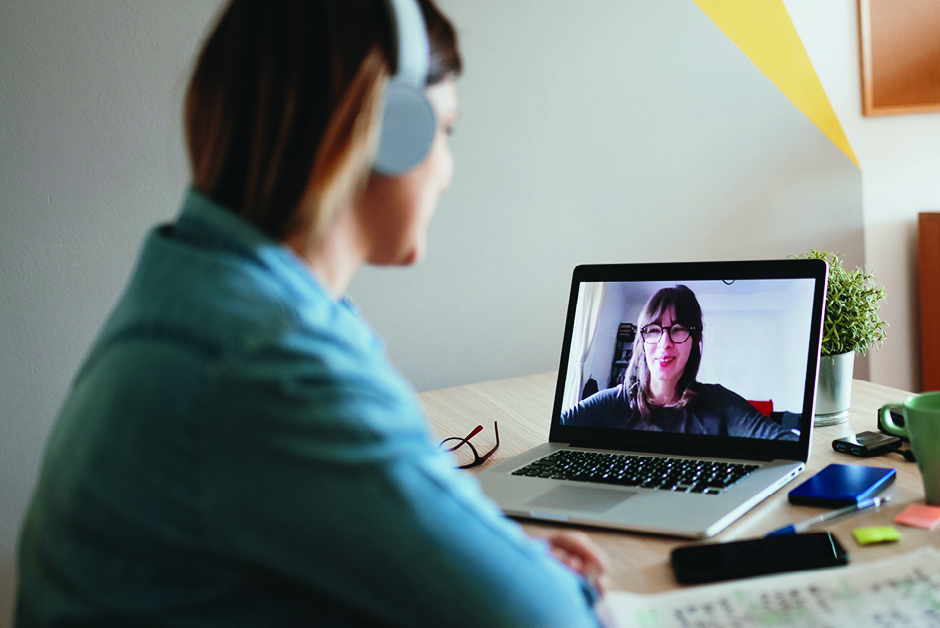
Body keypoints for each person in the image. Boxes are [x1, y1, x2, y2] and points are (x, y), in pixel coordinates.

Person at [15, 2, 606, 627]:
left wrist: (490, 557)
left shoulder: (199, 284)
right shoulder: (272, 361)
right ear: (389, 130)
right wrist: (547, 583)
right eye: (446, 131)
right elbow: (550, 620)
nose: (447, 171)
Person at [561, 285, 797, 439]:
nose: (664, 343)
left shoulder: (720, 404)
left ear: (694, 340)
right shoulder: (612, 403)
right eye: (654, 330)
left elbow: (784, 443)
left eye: (678, 329)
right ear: (642, 341)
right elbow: (556, 432)